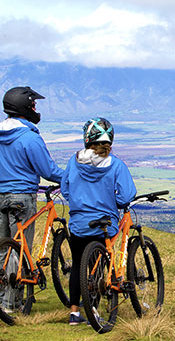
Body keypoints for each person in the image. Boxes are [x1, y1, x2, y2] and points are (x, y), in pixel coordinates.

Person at [0, 86, 64, 312]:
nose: (35, 108)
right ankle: (13, 304)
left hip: (0, 195)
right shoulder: (29, 137)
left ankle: (1, 300)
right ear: (25, 107)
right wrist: (70, 177)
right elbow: (47, 169)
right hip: (22, 196)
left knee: (3, 248)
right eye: (33, 104)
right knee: (20, 248)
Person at [61, 117, 136, 325]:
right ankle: (95, 309)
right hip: (105, 224)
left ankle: (74, 313)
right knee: (100, 266)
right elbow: (126, 197)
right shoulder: (116, 165)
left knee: (77, 265)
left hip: (78, 223)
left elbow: (65, 189)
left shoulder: (73, 161)